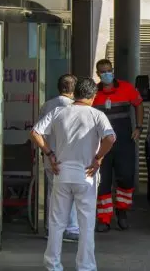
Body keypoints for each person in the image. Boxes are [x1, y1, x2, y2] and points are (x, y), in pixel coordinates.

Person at [31, 77, 116, 271]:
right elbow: (110, 138)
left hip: (61, 172)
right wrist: (98, 158)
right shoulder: (97, 115)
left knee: (56, 222)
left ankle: (53, 264)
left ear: (75, 93)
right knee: (86, 224)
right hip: (86, 174)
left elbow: (35, 132)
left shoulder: (58, 112)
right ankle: (85, 266)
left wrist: (50, 154)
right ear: (93, 96)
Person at [91, 59, 144, 232]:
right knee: (103, 182)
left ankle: (122, 213)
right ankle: (104, 219)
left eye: (109, 70)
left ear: (112, 71)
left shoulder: (126, 88)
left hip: (124, 142)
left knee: (126, 178)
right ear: (98, 74)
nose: (107, 74)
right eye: (103, 72)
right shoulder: (93, 93)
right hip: (102, 144)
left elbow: (139, 104)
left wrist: (138, 127)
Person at [39, 74, 79, 242]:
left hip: (51, 157)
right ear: (74, 89)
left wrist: (47, 153)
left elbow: (39, 132)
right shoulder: (75, 108)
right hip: (70, 158)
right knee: (71, 193)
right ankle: (70, 228)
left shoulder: (47, 105)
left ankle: (52, 228)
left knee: (53, 193)